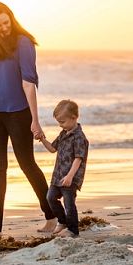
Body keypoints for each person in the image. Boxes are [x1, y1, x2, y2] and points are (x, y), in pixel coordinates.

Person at [0, 2, 57, 239]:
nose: (4, 28)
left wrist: (35, 120)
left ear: (11, 18)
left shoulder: (23, 42)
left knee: (27, 164)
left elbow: (28, 83)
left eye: (7, 22)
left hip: (18, 113)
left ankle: (53, 215)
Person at [39, 100, 89, 238]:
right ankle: (63, 221)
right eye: (59, 123)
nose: (61, 125)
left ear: (73, 118)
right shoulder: (63, 133)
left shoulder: (79, 137)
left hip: (70, 178)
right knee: (50, 197)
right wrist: (42, 138)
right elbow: (52, 149)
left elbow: (78, 159)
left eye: (62, 122)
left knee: (69, 203)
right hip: (58, 176)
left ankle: (73, 230)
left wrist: (70, 176)